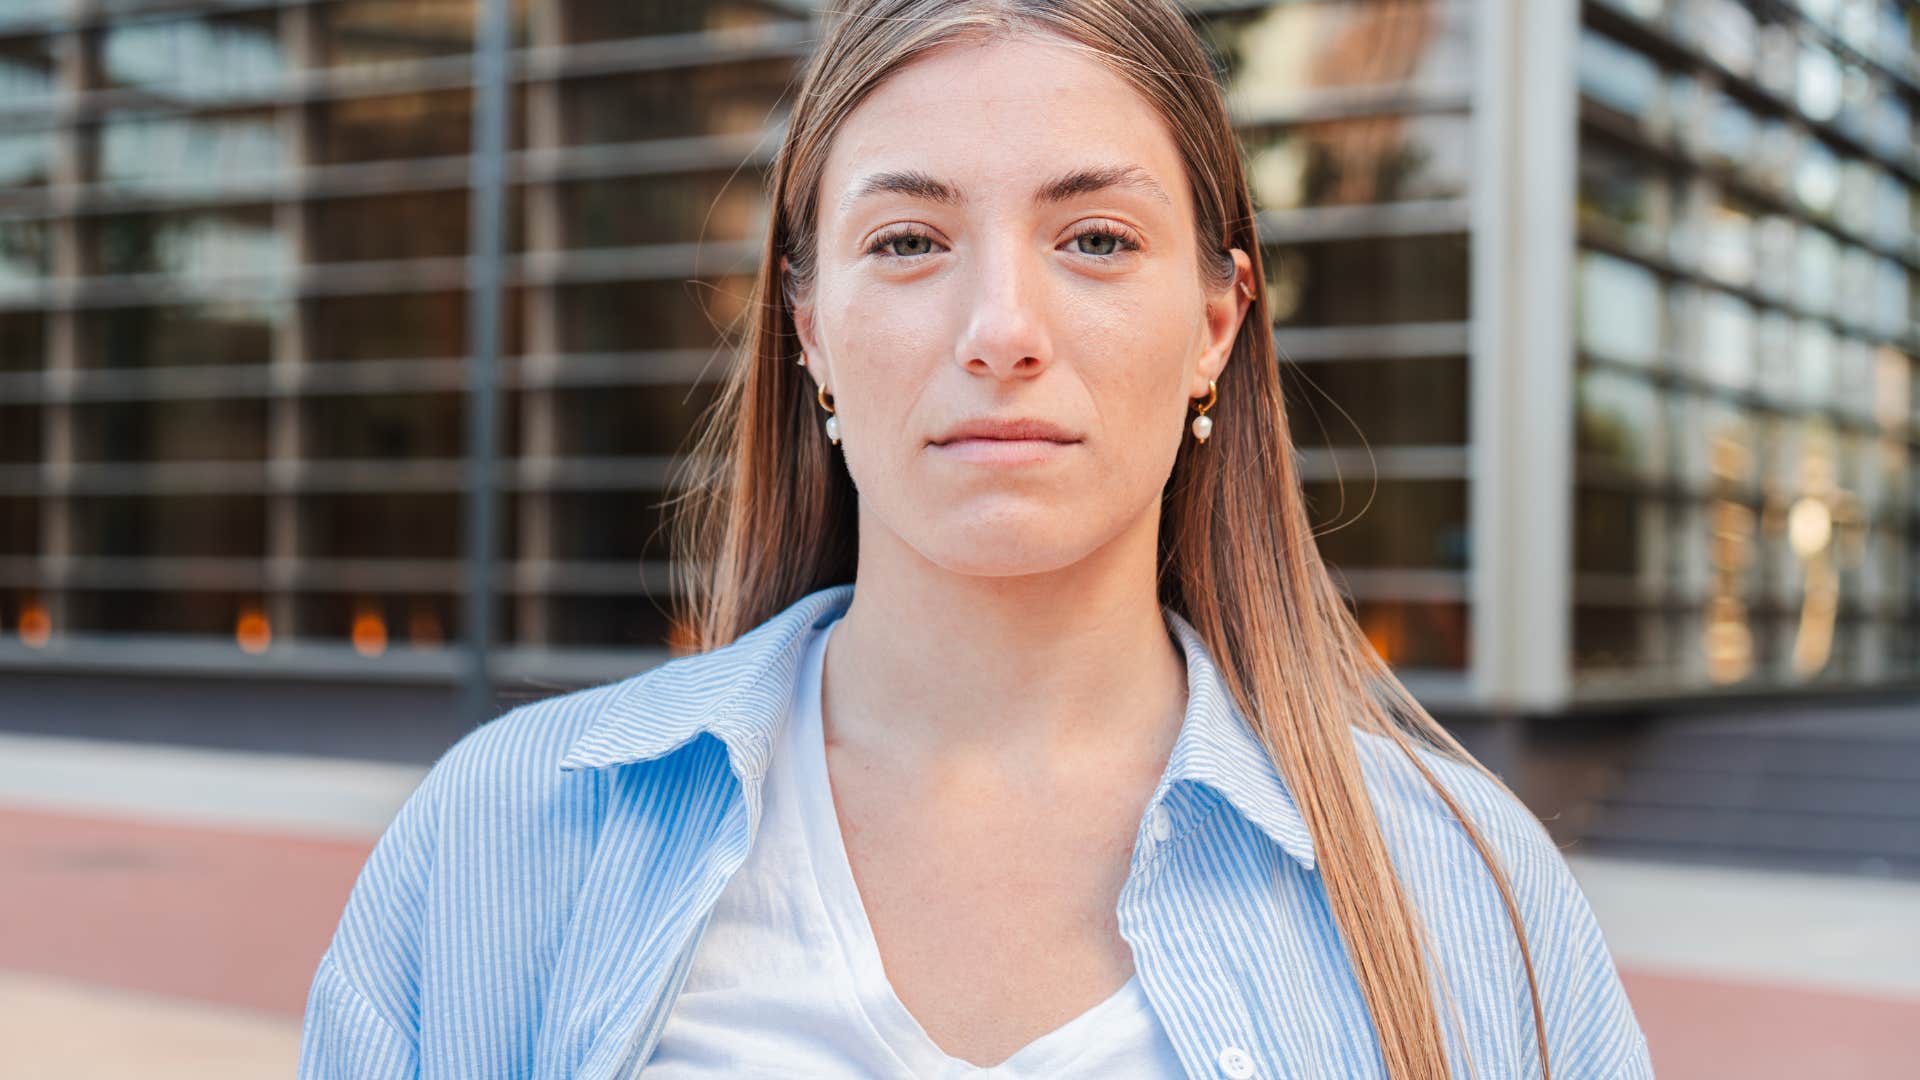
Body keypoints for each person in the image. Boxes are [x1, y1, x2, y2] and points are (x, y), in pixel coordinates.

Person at [300, 2, 1654, 1077]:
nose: (1000, 325)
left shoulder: (1463, 895)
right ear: (811, 326)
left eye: (1099, 238)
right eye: (907, 240)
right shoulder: (505, 838)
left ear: (1218, 322)